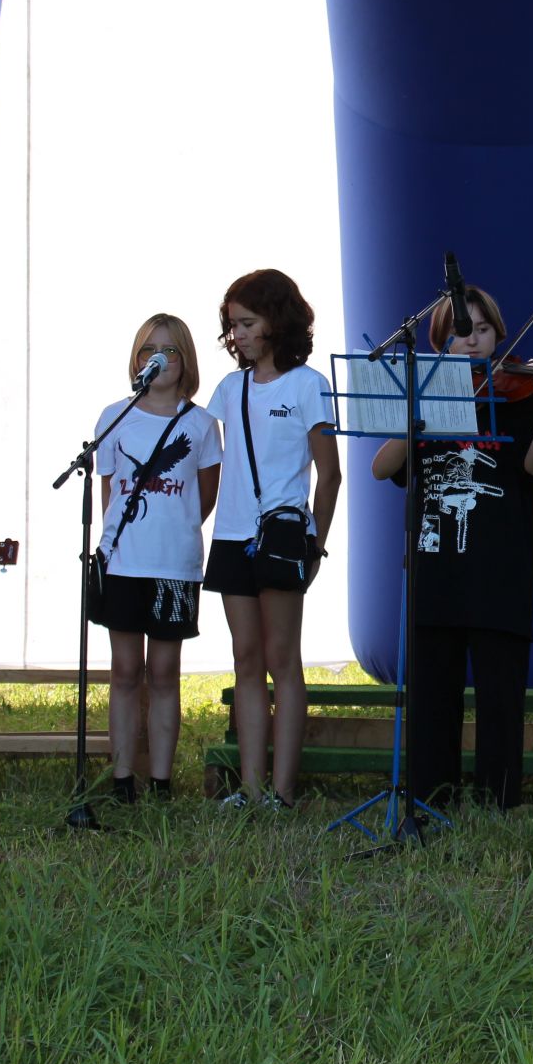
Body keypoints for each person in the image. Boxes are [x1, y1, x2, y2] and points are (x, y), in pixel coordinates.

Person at [371, 285, 533, 812]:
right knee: (433, 694)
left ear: (498, 334)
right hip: (436, 567)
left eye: (482, 330)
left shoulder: (515, 394)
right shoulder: (429, 397)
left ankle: (498, 801)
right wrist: (421, 411)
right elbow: (382, 467)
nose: (472, 341)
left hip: (501, 565)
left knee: (501, 695)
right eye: (460, 332)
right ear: (438, 342)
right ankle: (432, 800)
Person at [205, 270, 342, 810]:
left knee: (283, 660)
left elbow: (329, 475)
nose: (236, 334)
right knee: (245, 659)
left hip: (284, 536)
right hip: (232, 534)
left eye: (247, 323)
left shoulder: (309, 385)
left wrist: (317, 544)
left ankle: (282, 793)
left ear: (276, 322)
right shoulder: (227, 388)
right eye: (232, 324)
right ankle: (250, 788)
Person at [91, 313, 222, 803]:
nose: (159, 359)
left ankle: (162, 782)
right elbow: (107, 494)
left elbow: (204, 498)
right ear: (137, 359)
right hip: (123, 563)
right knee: (124, 670)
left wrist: (172, 529)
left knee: (164, 672)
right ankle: (123, 778)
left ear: (186, 358)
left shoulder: (203, 424)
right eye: (149, 350)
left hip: (174, 566)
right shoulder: (114, 418)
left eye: (169, 350)